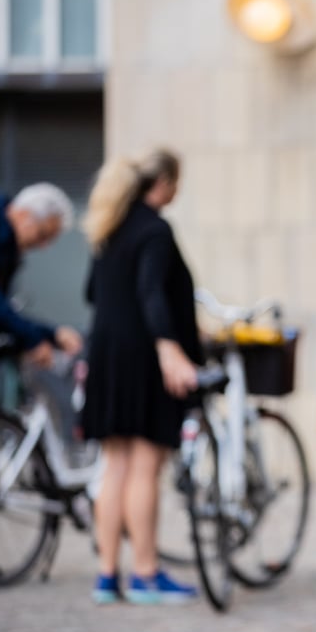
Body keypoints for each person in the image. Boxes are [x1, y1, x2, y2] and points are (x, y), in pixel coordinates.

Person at [81, 148, 202, 605]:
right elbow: (152, 293)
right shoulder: (154, 230)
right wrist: (170, 347)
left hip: (107, 356)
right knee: (145, 467)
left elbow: (91, 292)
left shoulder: (109, 228)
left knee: (115, 465)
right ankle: (146, 574)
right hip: (143, 360)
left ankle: (107, 575)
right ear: (164, 183)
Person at [0, 182, 83, 374]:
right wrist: (34, 338)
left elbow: (1, 312)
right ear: (22, 214)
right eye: (42, 234)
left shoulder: (5, 246)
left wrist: (50, 335)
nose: (42, 246)